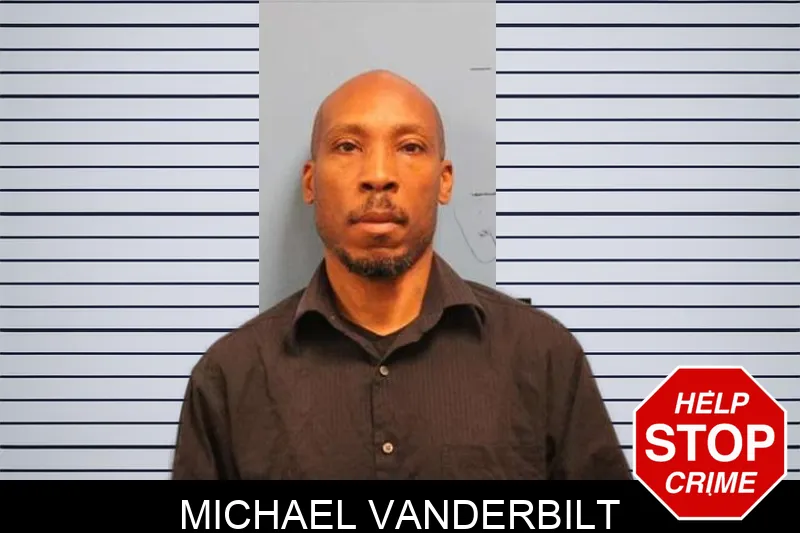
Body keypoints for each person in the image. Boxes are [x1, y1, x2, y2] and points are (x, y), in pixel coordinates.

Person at [171, 69, 630, 480]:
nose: (378, 175)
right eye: (348, 146)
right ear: (311, 182)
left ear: (444, 181)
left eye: (410, 147)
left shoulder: (542, 357)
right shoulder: (230, 378)